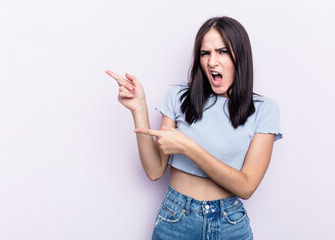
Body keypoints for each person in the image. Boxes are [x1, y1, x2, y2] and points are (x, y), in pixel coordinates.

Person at [106, 16, 282, 240]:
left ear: (241, 55)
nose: (212, 62)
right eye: (205, 53)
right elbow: (154, 171)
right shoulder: (179, 97)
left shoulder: (264, 110)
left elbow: (247, 186)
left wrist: (189, 147)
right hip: (176, 219)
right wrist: (139, 109)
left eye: (222, 51)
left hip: (230, 223)